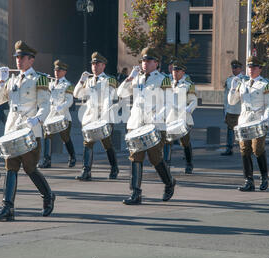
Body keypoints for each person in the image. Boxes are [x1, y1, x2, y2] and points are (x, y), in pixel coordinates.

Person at [0, 40, 55, 221]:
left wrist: (37, 120)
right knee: (11, 168)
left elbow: (45, 106)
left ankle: (48, 196)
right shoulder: (11, 80)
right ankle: (7, 208)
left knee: (30, 168)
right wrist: (1, 82)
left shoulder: (39, 79)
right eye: (17, 57)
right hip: (12, 131)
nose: (18, 60)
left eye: (22, 57)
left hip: (29, 132)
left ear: (31, 60)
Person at [117, 47, 176, 204]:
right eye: (143, 61)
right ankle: (136, 193)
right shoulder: (137, 78)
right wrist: (129, 78)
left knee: (155, 158)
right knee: (135, 157)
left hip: (155, 125)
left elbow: (170, 102)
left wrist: (159, 116)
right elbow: (120, 94)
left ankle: (169, 183)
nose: (145, 63)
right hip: (136, 124)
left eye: (149, 61)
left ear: (156, 63)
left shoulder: (163, 79)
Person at [228, 56, 269, 191]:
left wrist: (265, 119)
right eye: (249, 67)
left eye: (254, 67)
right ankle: (248, 181)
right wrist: (232, 87)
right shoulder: (242, 83)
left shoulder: (266, 84)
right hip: (244, 120)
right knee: (244, 150)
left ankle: (264, 177)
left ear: (260, 69)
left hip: (258, 120)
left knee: (258, 149)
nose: (251, 70)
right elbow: (232, 102)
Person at [73, 52, 120, 180]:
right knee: (88, 143)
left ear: (103, 65)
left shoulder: (109, 80)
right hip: (90, 117)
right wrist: (81, 80)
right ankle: (86, 171)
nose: (94, 66)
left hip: (104, 117)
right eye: (93, 64)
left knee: (107, 144)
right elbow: (77, 94)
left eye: (97, 64)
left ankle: (114, 168)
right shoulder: (88, 80)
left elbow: (108, 98)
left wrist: (103, 117)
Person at [39, 59, 76, 168]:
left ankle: (72, 156)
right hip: (50, 116)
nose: (57, 72)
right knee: (47, 136)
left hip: (63, 116)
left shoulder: (68, 85)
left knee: (65, 138)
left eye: (59, 71)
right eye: (55, 70)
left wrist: (61, 106)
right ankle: (47, 160)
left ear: (64, 72)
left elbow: (69, 101)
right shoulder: (50, 84)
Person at [165, 62, 197, 174]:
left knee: (185, 142)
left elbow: (194, 101)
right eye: (174, 71)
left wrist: (189, 109)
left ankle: (189, 163)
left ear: (183, 72)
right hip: (170, 118)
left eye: (177, 71)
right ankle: (166, 163)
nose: (175, 73)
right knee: (167, 141)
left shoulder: (188, 85)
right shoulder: (167, 83)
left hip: (183, 118)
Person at [222, 60, 248, 156]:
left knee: (243, 130)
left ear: (240, 69)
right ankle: (229, 148)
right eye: (233, 68)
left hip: (242, 110)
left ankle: (245, 148)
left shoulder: (245, 80)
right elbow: (226, 96)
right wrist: (225, 108)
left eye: (236, 68)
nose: (234, 70)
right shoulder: (229, 80)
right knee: (230, 129)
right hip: (231, 109)